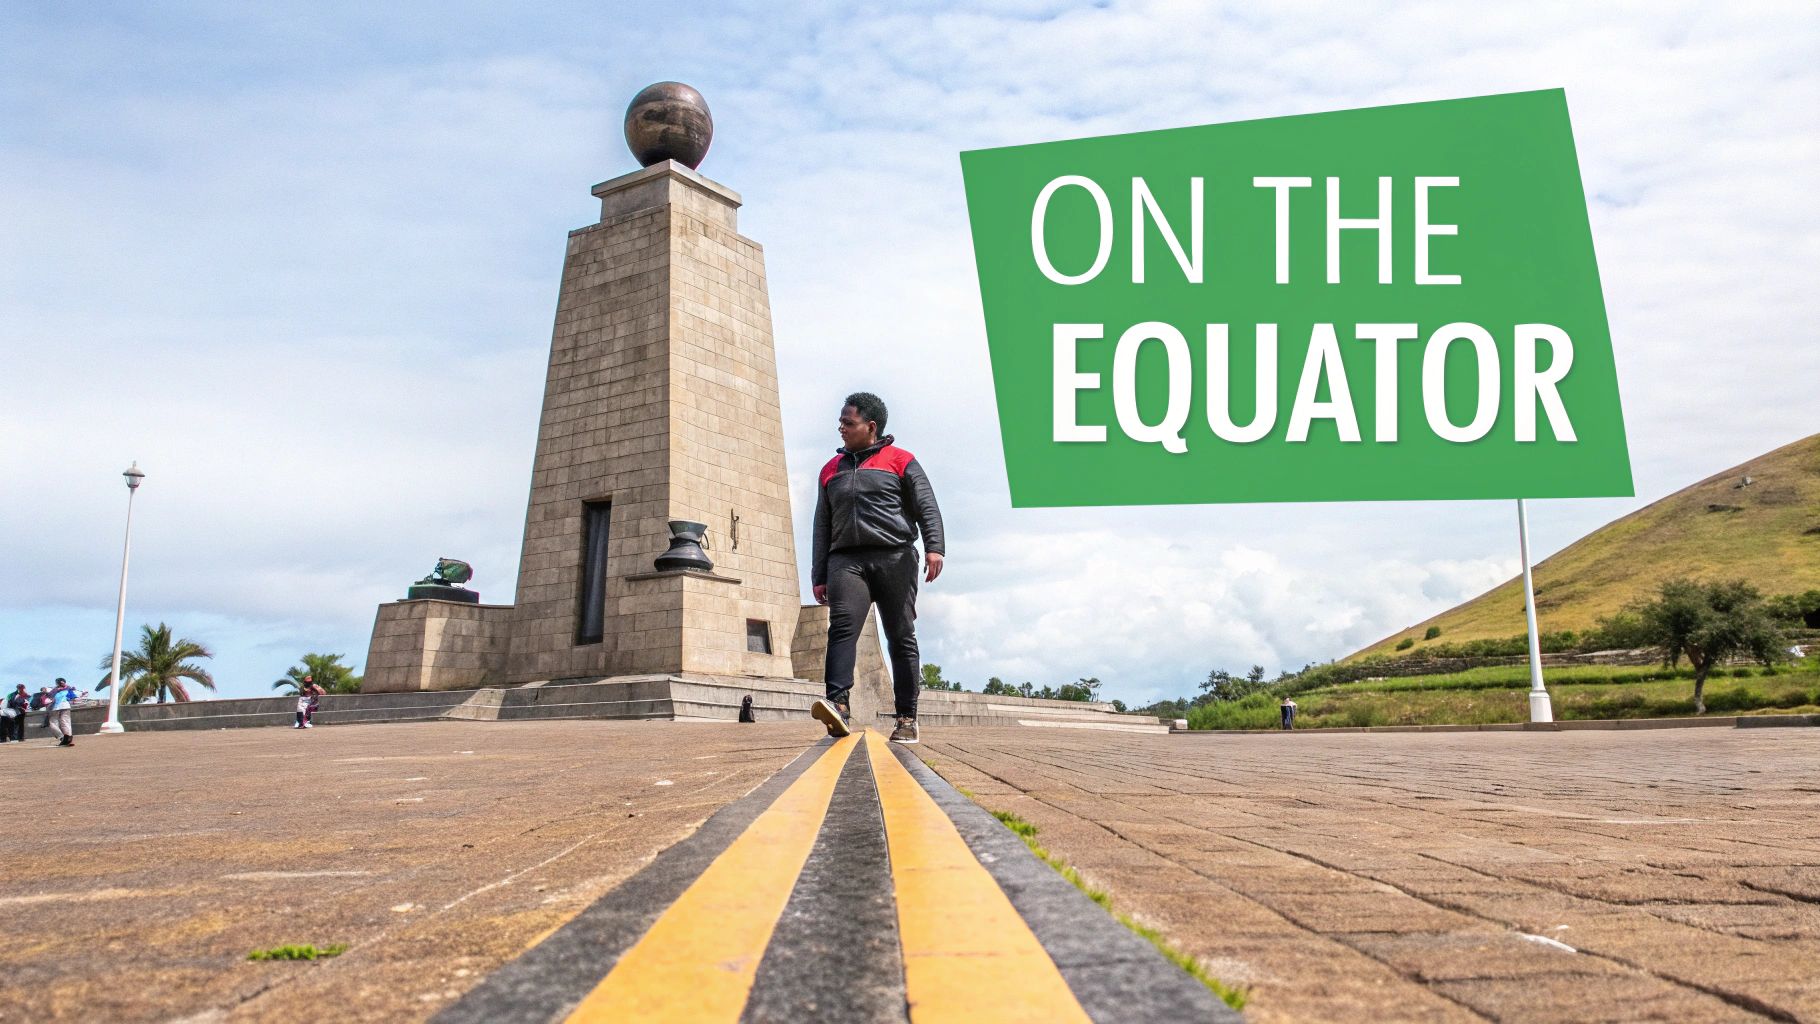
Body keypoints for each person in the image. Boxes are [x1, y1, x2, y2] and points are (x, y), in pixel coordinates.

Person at [807, 392, 945, 746]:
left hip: (894, 557)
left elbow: (926, 505)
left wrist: (934, 548)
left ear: (870, 427)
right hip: (846, 560)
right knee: (841, 629)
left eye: (847, 423)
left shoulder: (901, 461)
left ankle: (906, 717)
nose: (840, 428)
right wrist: (819, 574)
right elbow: (822, 524)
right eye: (840, 422)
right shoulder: (830, 470)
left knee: (900, 635)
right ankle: (838, 705)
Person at [48, 678, 78, 747]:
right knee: (65, 722)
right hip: (65, 706)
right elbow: (73, 697)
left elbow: (49, 696)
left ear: (57, 683)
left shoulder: (54, 690)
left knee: (53, 722)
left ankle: (62, 737)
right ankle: (68, 737)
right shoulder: (68, 689)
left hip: (56, 707)